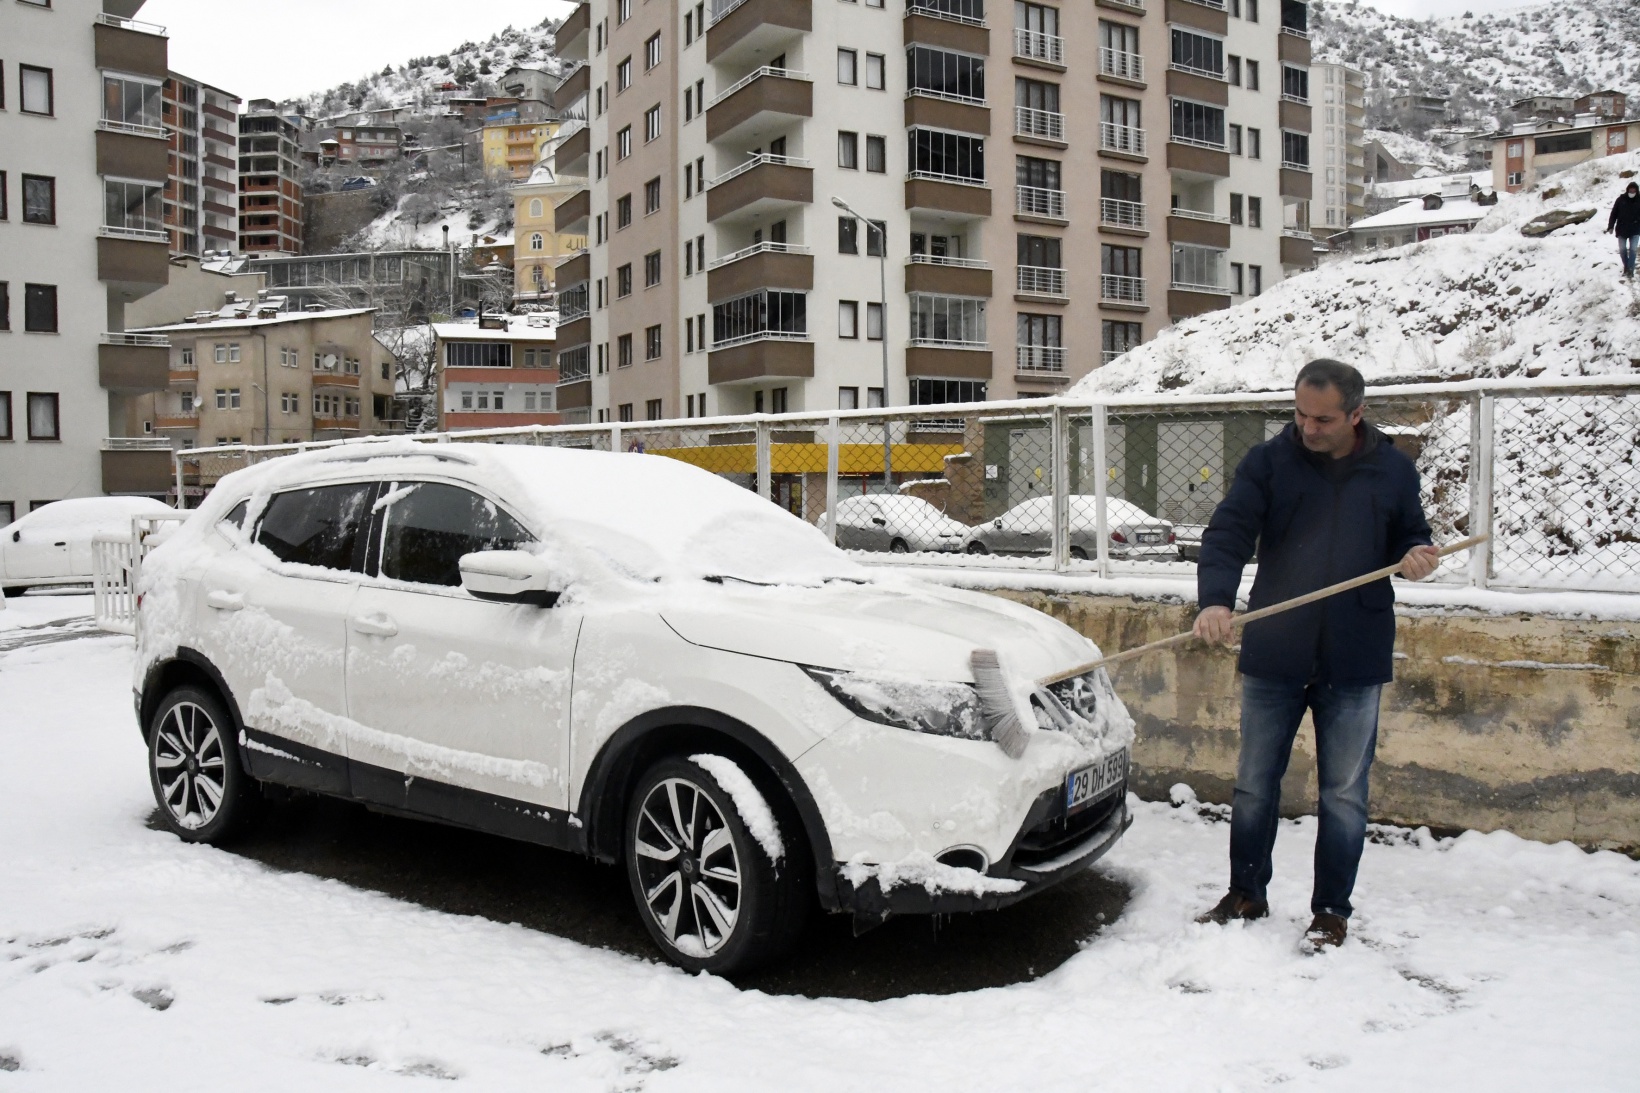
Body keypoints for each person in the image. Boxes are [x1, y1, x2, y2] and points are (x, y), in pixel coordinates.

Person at [1191, 359, 1437, 952]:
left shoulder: (1393, 471)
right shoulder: (1268, 464)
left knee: (1344, 793)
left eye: (1322, 418)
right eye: (1299, 413)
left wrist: (1417, 554)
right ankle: (1246, 893)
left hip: (1356, 653)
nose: (1308, 427)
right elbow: (1227, 534)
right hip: (1277, 649)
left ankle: (1331, 912)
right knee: (1253, 784)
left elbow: (1411, 532)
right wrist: (1216, 601)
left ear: (1356, 414)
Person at [1610, 180, 1640, 282]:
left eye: (1634, 190)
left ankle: (1630, 269)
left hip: (1635, 229)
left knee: (1633, 250)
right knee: (1622, 250)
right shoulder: (1620, 200)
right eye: (1630, 190)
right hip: (1622, 229)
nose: (1632, 192)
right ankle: (1626, 266)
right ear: (1627, 190)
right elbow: (1613, 214)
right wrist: (1610, 226)